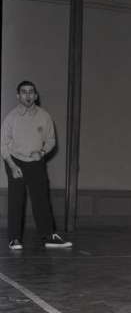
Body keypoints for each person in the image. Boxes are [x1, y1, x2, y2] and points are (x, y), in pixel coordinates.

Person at [0, 81, 72, 249]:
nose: (28, 95)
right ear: (18, 96)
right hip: (15, 161)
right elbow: (3, 144)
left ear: (36, 95)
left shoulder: (44, 116)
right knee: (16, 199)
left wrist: (42, 152)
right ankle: (14, 238)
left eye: (31, 92)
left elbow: (51, 140)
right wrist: (12, 166)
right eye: (24, 92)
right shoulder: (11, 118)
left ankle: (48, 236)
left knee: (42, 199)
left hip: (36, 161)